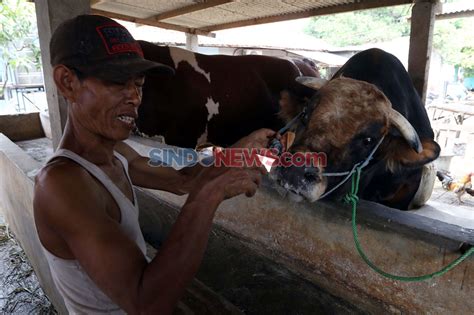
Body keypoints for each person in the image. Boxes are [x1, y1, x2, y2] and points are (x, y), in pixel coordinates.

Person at [33, 15, 276, 314]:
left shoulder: (116, 153)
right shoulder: (61, 184)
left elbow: (182, 179)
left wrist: (235, 154)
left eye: (138, 84)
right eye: (116, 82)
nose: (134, 97)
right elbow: (146, 303)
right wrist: (209, 195)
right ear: (67, 82)